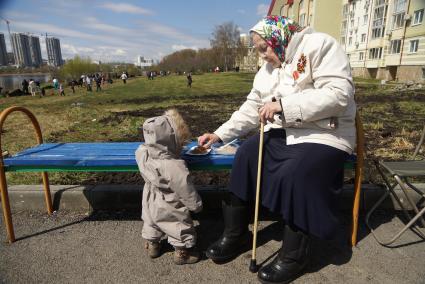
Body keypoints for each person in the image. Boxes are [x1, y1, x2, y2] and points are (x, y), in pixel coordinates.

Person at [198, 16, 356, 283]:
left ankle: (295, 255)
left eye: (264, 48)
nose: (263, 56)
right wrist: (219, 134)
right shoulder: (267, 71)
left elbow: (340, 94)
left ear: (279, 38)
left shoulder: (320, 45)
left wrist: (284, 105)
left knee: (298, 172)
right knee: (247, 155)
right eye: (259, 50)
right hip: (287, 132)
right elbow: (251, 109)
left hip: (327, 133)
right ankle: (236, 234)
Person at [135, 109, 203, 265]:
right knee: (177, 224)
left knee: (150, 220)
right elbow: (185, 189)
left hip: (149, 196)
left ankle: (153, 244)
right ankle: (182, 252)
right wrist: (196, 205)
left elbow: (142, 148)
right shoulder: (174, 165)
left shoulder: (142, 153)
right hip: (169, 202)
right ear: (172, 139)